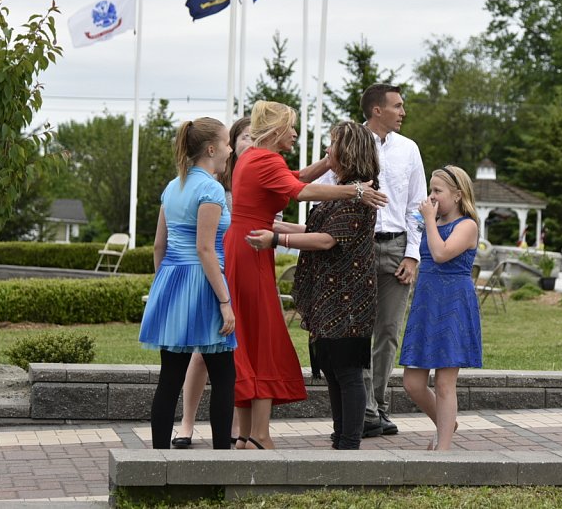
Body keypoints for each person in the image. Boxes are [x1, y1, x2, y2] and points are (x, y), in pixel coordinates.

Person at [226, 100, 387, 450]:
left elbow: (295, 180)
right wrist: (355, 190)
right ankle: (258, 434)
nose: (296, 133)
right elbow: (298, 190)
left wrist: (329, 166)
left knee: (253, 338)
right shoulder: (266, 160)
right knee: (262, 338)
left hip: (248, 247)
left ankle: (247, 434)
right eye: (291, 126)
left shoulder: (252, 157)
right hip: (253, 249)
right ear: (275, 130)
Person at [317, 83, 427, 438]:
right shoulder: (347, 142)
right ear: (376, 110)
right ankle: (361, 410)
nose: (403, 112)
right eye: (397, 106)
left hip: (396, 248)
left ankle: (377, 405)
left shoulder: (409, 149)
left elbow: (418, 206)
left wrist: (412, 254)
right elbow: (320, 189)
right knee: (357, 330)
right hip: (356, 248)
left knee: (389, 332)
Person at [137, 117, 237, 450]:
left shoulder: (173, 186)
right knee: (224, 377)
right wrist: (225, 302)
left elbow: (158, 247)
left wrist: (163, 287)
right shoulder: (210, 189)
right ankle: (222, 459)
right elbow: (206, 248)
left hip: (171, 281)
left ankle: (158, 459)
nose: (230, 149)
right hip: (204, 286)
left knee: (169, 378)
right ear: (211, 149)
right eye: (226, 143)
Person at [172, 116, 251, 449]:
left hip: (243, 269)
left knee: (234, 355)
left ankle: (234, 425)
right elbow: (200, 243)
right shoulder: (212, 184)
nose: (248, 144)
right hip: (214, 271)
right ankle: (186, 423)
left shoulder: (257, 179)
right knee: (203, 354)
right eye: (245, 137)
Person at [399, 165, 481, 451]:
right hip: (426, 303)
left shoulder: (467, 225)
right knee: (412, 382)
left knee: (445, 383)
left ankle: (443, 451)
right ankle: (448, 422)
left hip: (453, 304)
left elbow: (441, 253)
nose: (431, 197)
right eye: (430, 190)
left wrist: (429, 221)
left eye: (437, 191)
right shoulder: (429, 221)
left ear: (457, 195)